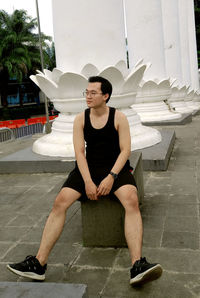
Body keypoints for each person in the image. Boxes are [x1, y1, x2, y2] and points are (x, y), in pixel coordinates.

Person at [7, 76, 162, 286]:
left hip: (115, 168)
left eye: (93, 93)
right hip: (88, 168)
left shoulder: (119, 117)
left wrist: (111, 177)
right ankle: (39, 263)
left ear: (105, 96)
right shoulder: (80, 118)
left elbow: (126, 150)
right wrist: (88, 182)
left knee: (131, 200)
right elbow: (79, 153)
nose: (88, 96)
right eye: (86, 92)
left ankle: (137, 265)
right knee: (60, 201)